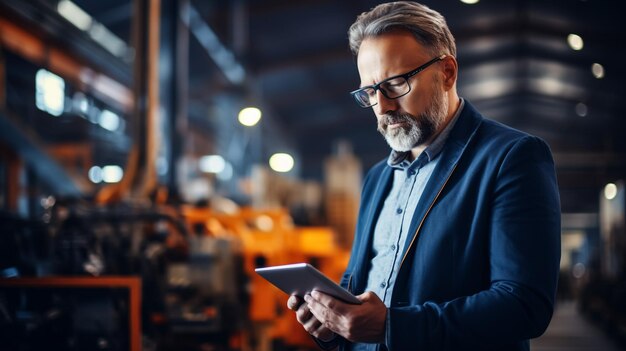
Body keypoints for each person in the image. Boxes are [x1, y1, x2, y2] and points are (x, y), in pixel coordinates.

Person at [287, 2, 561, 351]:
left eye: (396, 83)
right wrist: (331, 324)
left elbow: (524, 305)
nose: (383, 107)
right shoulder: (377, 178)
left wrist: (392, 327)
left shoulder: (511, 158)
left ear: (447, 72)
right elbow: (358, 284)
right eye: (370, 92)